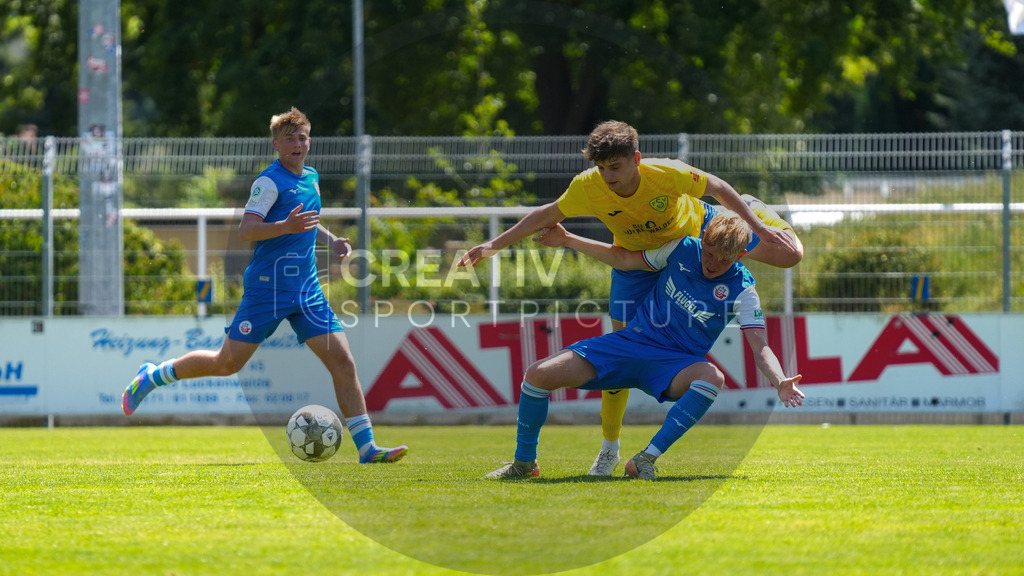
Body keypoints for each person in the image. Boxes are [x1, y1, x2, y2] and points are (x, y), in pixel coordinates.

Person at [459, 120, 803, 475]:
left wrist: (759, 229)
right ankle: (607, 449)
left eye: (616, 167)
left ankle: (749, 215)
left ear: (636, 159)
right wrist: (494, 244)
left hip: (697, 232)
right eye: (601, 167)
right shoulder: (591, 189)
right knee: (607, 354)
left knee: (790, 256)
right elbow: (550, 215)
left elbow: (716, 187)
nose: (607, 176)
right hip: (637, 263)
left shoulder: (670, 181)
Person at [121, 107, 408, 464]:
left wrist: (331, 239)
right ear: (276, 144)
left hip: (305, 289)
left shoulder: (312, 177)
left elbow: (304, 220)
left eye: (302, 137)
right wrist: (283, 228)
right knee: (227, 364)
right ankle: (154, 374)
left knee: (344, 363)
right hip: (267, 289)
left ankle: (367, 448)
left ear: (309, 141)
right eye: (289, 139)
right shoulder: (268, 182)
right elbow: (247, 229)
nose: (297, 144)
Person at [485, 211, 804, 480]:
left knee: (712, 378)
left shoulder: (743, 289)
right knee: (537, 374)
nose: (712, 263)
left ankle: (644, 460)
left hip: (675, 365)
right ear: (703, 238)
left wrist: (779, 381)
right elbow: (623, 259)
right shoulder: (681, 248)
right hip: (630, 344)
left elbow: (759, 344)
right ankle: (524, 464)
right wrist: (568, 239)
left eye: (723, 260)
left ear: (741, 256)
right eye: (708, 253)